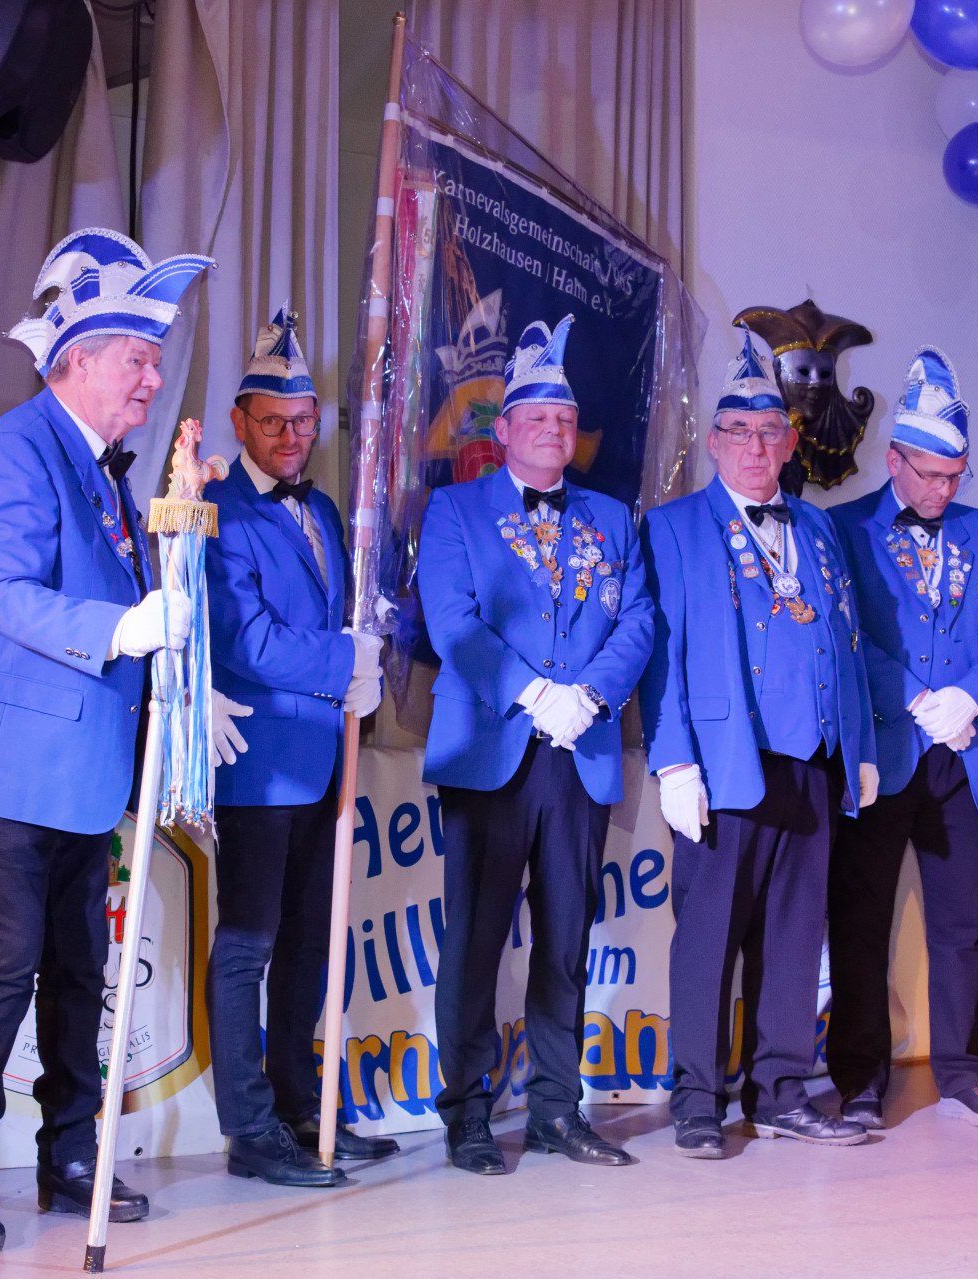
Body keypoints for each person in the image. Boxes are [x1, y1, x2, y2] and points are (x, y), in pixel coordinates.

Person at [0, 230, 211, 1251]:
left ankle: (71, 1157)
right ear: (76, 360)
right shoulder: (14, 451)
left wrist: (170, 671)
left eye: (154, 359)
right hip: (7, 770)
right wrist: (121, 630)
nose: (153, 377)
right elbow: (0, 592)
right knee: (4, 966)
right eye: (137, 357)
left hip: (83, 770)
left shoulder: (101, 468)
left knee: (83, 968)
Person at [418, 315, 654, 1175]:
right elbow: (452, 621)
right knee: (476, 941)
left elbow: (639, 619)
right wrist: (532, 691)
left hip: (580, 749)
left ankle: (557, 1107)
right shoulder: (454, 510)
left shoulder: (611, 517)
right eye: (538, 417)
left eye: (566, 418)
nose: (554, 429)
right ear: (507, 426)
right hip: (493, 748)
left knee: (565, 940)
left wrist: (587, 696)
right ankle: (468, 1114)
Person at [640, 328, 878, 1159]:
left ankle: (779, 1090)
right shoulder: (673, 527)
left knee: (794, 937)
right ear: (714, 442)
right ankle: (698, 1099)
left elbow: (845, 640)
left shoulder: (816, 527)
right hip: (723, 764)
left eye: (769, 431)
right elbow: (663, 653)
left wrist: (860, 745)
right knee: (709, 940)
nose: (754, 446)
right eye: (738, 431)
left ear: (788, 442)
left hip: (811, 762)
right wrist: (673, 760)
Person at [203, 308, 395, 1188]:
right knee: (247, 945)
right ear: (240, 420)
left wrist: (363, 670)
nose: (291, 437)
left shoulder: (322, 508)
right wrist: (344, 660)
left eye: (304, 421)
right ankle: (249, 1128)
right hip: (258, 764)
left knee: (311, 946)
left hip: (326, 761)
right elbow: (246, 640)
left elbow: (332, 619)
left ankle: (298, 1106)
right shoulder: (216, 510)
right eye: (273, 421)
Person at [826, 348, 978, 1130]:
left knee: (962, 924)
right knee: (861, 919)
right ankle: (859, 1077)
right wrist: (916, 697)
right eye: (932, 475)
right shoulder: (844, 529)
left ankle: (964, 1072)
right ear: (895, 461)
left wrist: (970, 696)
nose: (945, 490)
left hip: (965, 752)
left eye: (955, 475)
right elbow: (845, 633)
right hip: (885, 752)